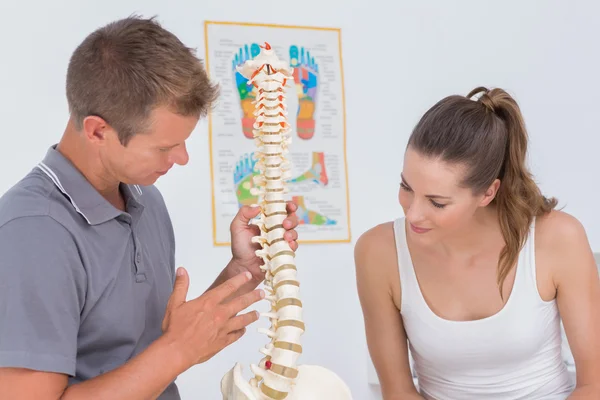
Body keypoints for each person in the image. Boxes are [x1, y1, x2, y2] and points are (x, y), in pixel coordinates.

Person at [0, 15, 299, 400]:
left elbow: (148, 350)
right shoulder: (32, 232)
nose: (183, 158)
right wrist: (177, 350)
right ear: (97, 131)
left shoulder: (145, 198)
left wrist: (242, 271)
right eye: (164, 147)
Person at [355, 86, 600, 399]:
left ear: (488, 192)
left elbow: (594, 385)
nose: (413, 213)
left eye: (437, 202)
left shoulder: (558, 239)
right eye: (406, 187)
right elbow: (398, 391)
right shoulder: (378, 253)